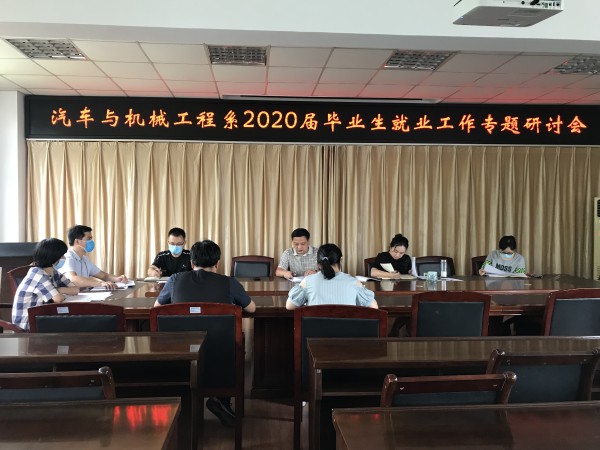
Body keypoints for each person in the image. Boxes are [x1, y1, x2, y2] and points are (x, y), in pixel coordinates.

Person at [154, 239, 256, 427]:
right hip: (220, 354)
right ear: (218, 263)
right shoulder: (228, 282)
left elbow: (157, 308)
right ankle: (221, 399)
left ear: (192, 263)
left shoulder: (175, 279)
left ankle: (183, 403)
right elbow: (251, 308)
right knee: (227, 342)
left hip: (181, 352)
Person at [12, 238, 79, 330]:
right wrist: (60, 292)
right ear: (53, 257)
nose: (64, 258)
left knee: (75, 322)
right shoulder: (37, 273)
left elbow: (75, 289)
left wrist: (58, 290)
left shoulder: (53, 272)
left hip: (41, 317)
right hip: (27, 324)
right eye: (62, 256)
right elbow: (58, 299)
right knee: (75, 324)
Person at [286, 243, 378, 309]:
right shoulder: (354, 283)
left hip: (315, 331)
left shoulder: (308, 281)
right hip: (346, 331)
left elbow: (289, 306)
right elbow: (374, 307)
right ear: (340, 260)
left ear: (319, 265)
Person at [60, 225, 128, 289]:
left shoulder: (85, 259)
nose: (91, 241)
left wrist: (118, 279)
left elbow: (103, 275)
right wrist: (101, 283)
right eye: (88, 238)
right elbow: (73, 279)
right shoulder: (67, 258)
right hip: (69, 296)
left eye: (91, 238)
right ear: (77, 241)